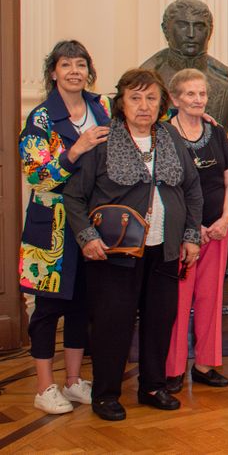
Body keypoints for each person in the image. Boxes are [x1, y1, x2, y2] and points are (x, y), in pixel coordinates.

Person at [62, 68, 202, 421]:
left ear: (161, 104)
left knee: (160, 320)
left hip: (164, 250)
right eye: (135, 98)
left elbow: (192, 190)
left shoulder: (170, 136)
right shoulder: (103, 141)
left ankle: (153, 386)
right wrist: (87, 237)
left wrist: (190, 236)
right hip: (113, 252)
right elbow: (74, 198)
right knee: (113, 324)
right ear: (121, 103)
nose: (144, 106)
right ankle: (106, 394)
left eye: (151, 98)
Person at [19, 41, 110, 414]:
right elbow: (36, 176)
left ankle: (73, 382)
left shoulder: (100, 107)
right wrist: (74, 151)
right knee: (47, 308)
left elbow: (144, 117)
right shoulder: (41, 118)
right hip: (53, 228)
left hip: (93, 222)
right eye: (66, 64)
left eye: (80, 64)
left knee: (81, 306)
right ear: (53, 72)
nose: (74, 71)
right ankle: (44, 387)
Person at [164, 70, 228, 392]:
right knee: (178, 303)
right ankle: (174, 369)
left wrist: (224, 219)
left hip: (218, 231)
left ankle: (206, 365)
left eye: (202, 94)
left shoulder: (216, 131)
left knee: (210, 300)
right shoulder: (164, 134)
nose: (197, 100)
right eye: (190, 94)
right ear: (176, 98)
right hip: (182, 235)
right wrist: (194, 229)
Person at [140, 0, 228, 129]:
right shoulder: (143, 84)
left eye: (199, 27)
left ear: (210, 31)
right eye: (182, 26)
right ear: (166, 30)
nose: (191, 34)